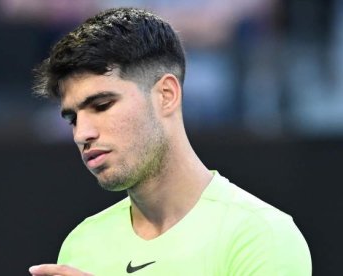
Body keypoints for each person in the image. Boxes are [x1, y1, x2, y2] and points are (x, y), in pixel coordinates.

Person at [29, 7, 311, 276]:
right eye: (72, 119)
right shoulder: (80, 244)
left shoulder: (260, 234)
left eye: (102, 105)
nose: (82, 134)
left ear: (166, 94)